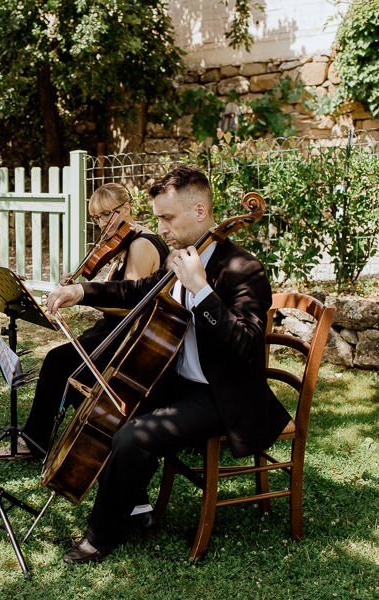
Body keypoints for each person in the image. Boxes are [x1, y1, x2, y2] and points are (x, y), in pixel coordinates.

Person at [44, 166, 290, 563]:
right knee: (104, 401)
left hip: (222, 394)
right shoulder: (181, 257)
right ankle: (136, 506)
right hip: (178, 380)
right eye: (158, 217)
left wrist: (201, 290)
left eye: (167, 218)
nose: (160, 227)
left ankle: (100, 535)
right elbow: (137, 289)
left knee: (133, 434)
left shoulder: (243, 268)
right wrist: (81, 290)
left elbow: (245, 346)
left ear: (198, 210)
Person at [0, 182, 169, 458]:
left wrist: (83, 295)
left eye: (107, 215)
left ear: (126, 208)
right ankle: (91, 430)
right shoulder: (128, 242)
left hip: (128, 337)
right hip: (114, 330)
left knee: (58, 362)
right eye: (96, 218)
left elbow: (130, 305)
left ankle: (35, 442)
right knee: (63, 363)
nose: (102, 223)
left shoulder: (140, 244)